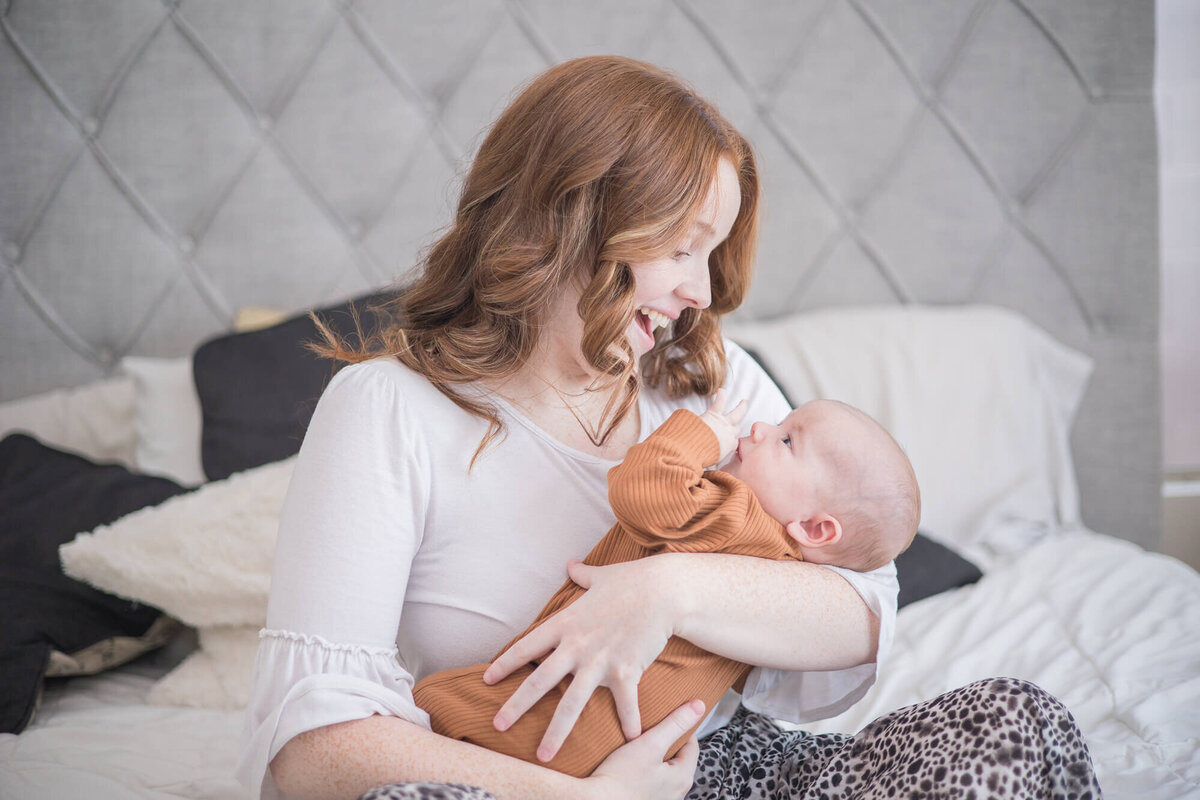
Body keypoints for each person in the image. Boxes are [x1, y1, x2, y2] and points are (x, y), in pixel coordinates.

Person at [237, 56, 1101, 800]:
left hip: (723, 768)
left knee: (1015, 723)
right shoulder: (388, 409)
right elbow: (312, 746)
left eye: (712, 252)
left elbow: (861, 607)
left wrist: (667, 591)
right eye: (683, 247)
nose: (702, 291)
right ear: (573, 218)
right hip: (518, 779)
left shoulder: (708, 382)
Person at [412, 392, 921, 778]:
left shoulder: (735, 513)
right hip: (632, 751)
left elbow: (643, 487)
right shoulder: (787, 578)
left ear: (814, 529)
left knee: (423, 710)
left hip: (558, 721)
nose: (762, 425)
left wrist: (703, 435)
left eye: (787, 440)